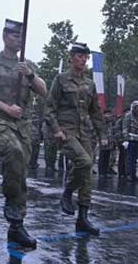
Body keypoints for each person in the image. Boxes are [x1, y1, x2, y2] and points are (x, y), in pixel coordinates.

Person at [0, 19, 47, 248]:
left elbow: (43, 91)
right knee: (14, 153)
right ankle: (10, 203)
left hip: (23, 127)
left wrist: (30, 75)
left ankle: (16, 226)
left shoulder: (26, 65)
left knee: (20, 174)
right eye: (16, 35)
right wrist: (6, 108)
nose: (19, 39)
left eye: (22, 36)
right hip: (0, 122)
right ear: (5, 36)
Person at [45, 42, 108, 235]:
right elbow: (49, 108)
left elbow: (96, 112)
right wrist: (56, 129)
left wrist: (103, 134)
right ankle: (67, 192)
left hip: (84, 133)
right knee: (85, 162)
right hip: (66, 131)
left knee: (87, 173)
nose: (83, 60)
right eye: (80, 56)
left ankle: (82, 218)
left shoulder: (89, 84)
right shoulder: (61, 79)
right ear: (71, 57)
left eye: (86, 57)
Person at [122, 101, 138, 182]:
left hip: (137, 141)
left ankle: (133, 173)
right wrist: (125, 139)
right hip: (130, 140)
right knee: (129, 158)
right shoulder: (129, 116)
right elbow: (125, 128)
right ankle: (128, 174)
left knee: (135, 158)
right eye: (136, 107)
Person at [98, 109, 115, 178]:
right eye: (107, 114)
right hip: (103, 140)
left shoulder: (110, 122)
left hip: (110, 141)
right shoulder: (101, 122)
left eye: (110, 114)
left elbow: (112, 131)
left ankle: (105, 171)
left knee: (107, 157)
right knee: (102, 156)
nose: (109, 115)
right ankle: (101, 172)